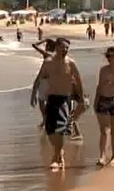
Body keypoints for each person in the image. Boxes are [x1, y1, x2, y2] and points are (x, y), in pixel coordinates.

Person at [36, 38, 85, 170]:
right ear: (56, 47)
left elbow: (78, 81)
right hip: (51, 98)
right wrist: (36, 93)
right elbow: (40, 78)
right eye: (63, 47)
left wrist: (81, 98)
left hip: (65, 99)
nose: (65, 50)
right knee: (50, 130)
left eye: (67, 48)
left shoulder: (71, 63)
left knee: (61, 128)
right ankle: (58, 151)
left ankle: (56, 156)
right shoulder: (48, 62)